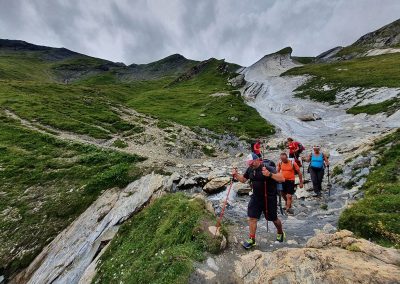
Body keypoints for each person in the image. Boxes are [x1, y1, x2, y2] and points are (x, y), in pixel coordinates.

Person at [232, 153, 286, 249]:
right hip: (256, 197)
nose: (250, 165)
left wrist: (269, 174)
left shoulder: (268, 168)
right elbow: (243, 180)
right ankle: (252, 240)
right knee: (252, 217)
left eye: (252, 163)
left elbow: (282, 178)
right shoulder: (250, 169)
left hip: (269, 197)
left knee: (273, 218)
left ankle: (280, 232)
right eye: (249, 163)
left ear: (258, 160)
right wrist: (236, 175)